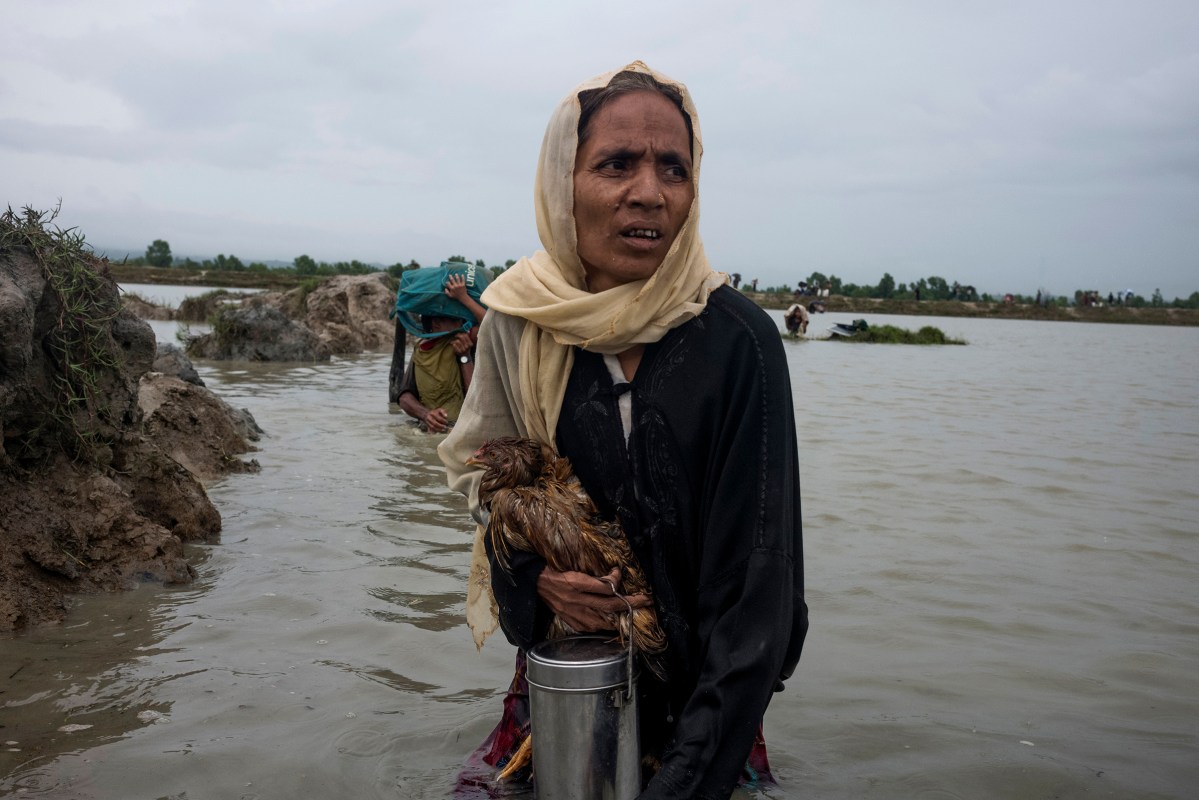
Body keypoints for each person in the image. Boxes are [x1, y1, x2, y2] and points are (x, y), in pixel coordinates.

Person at [439, 62, 807, 798]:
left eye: (673, 167)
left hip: (712, 701)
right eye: (616, 164)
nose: (649, 192)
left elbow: (760, 580)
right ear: (561, 183)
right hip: (568, 685)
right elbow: (497, 500)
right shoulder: (518, 321)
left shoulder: (739, 341)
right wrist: (539, 580)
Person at [397, 275, 488, 433]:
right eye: (453, 319)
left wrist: (464, 356)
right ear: (435, 323)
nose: (460, 323)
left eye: (461, 319)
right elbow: (404, 397)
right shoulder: (422, 350)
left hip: (462, 428)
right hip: (429, 430)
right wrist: (426, 415)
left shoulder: (467, 339)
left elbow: (490, 325)